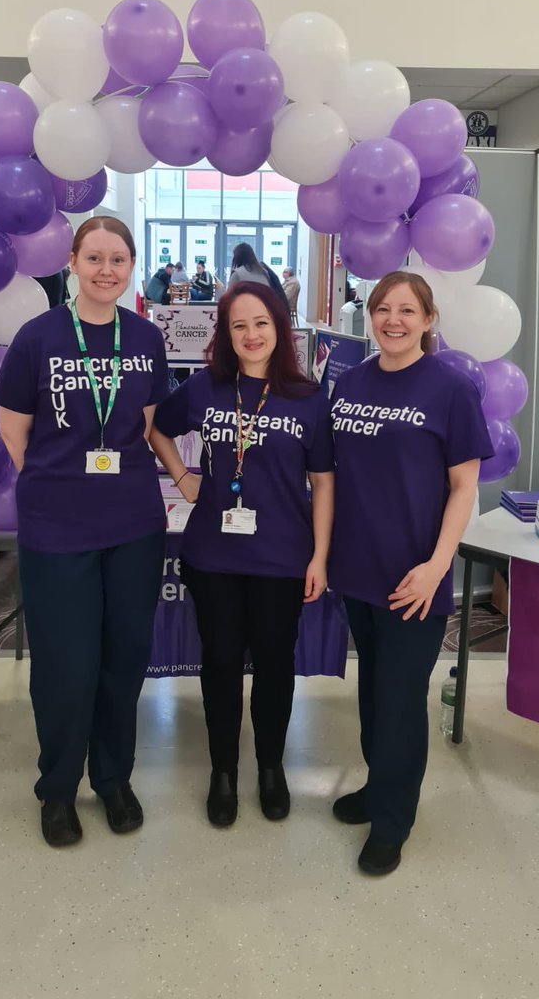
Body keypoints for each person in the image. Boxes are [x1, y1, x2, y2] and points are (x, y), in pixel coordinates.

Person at [0, 215, 170, 849]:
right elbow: (14, 432)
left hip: (133, 524)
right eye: (94, 258)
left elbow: (145, 424)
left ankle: (114, 779)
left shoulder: (145, 339)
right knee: (66, 666)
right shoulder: (36, 338)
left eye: (118, 260)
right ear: (72, 261)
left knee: (124, 659)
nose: (106, 271)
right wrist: (56, 485)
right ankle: (59, 788)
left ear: (130, 266)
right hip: (57, 527)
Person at [149, 282, 334, 828]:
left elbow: (323, 484)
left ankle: (271, 769)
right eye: (239, 326)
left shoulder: (307, 398)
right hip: (214, 556)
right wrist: (182, 476)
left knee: (276, 667)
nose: (251, 335)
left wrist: (320, 556)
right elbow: (159, 428)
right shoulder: (207, 388)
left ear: (280, 328)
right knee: (221, 665)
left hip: (283, 558)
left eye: (261, 324)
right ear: (226, 335)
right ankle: (223, 771)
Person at [327, 270, 492, 876]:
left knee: (399, 700)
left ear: (428, 320)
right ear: (369, 316)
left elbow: (463, 486)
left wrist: (436, 567)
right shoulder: (349, 384)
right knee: (372, 692)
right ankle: (377, 787)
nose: (392, 320)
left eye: (406, 310)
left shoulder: (449, 389)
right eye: (382, 309)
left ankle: (394, 819)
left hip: (415, 578)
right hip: (358, 570)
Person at [228, 243, 289, 313]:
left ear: (236, 257)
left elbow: (228, 299)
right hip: (267, 312)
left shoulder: (237, 274)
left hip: (246, 313)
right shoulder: (264, 272)